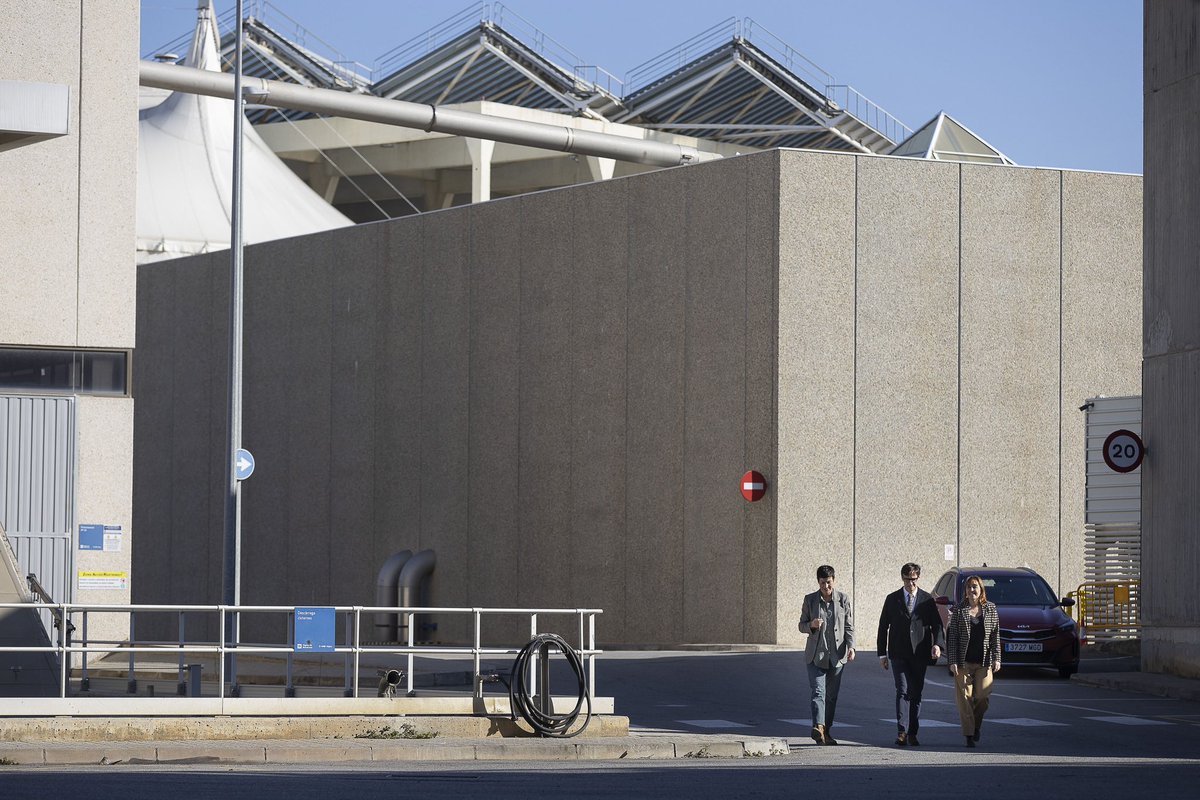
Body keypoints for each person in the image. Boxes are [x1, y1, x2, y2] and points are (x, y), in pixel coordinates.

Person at [876, 562, 945, 747]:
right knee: (902, 690)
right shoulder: (892, 599)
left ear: (918, 578)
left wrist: (937, 645)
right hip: (898, 652)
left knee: (916, 693)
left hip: (920, 653)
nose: (911, 584)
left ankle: (913, 732)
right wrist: (882, 654)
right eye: (908, 580)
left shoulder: (926, 600)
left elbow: (937, 625)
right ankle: (902, 731)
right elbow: (883, 627)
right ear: (902, 578)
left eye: (914, 580)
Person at [799, 565, 855, 745]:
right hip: (816, 655)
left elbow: (849, 626)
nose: (826, 587)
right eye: (822, 583)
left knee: (831, 696)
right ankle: (818, 726)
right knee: (818, 691)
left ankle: (827, 730)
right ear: (818, 582)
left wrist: (851, 647)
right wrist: (812, 625)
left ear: (834, 580)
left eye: (829, 583)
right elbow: (801, 625)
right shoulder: (810, 600)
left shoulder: (843, 599)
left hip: (837, 656)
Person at [946, 574, 1001, 748]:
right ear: (965, 591)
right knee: (965, 699)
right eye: (969, 587)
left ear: (981, 590)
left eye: (975, 586)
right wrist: (952, 661)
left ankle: (975, 725)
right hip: (963, 662)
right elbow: (952, 637)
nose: (972, 590)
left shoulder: (991, 609)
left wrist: (997, 658)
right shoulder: (959, 610)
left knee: (983, 697)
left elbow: (995, 636)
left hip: (984, 662)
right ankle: (969, 734)